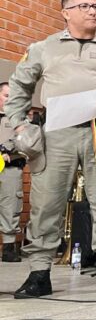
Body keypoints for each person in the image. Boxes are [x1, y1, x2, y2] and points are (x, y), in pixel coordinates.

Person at [5, 0, 96, 296]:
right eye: (84, 6)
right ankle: (39, 273)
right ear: (66, 12)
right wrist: (19, 123)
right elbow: (20, 86)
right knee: (46, 203)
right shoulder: (44, 48)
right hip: (56, 133)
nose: (93, 11)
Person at [0, 82, 25, 262]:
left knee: (10, 207)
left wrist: (10, 152)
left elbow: (27, 143)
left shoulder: (20, 119)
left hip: (10, 168)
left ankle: (8, 248)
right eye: (6, 96)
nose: (10, 100)